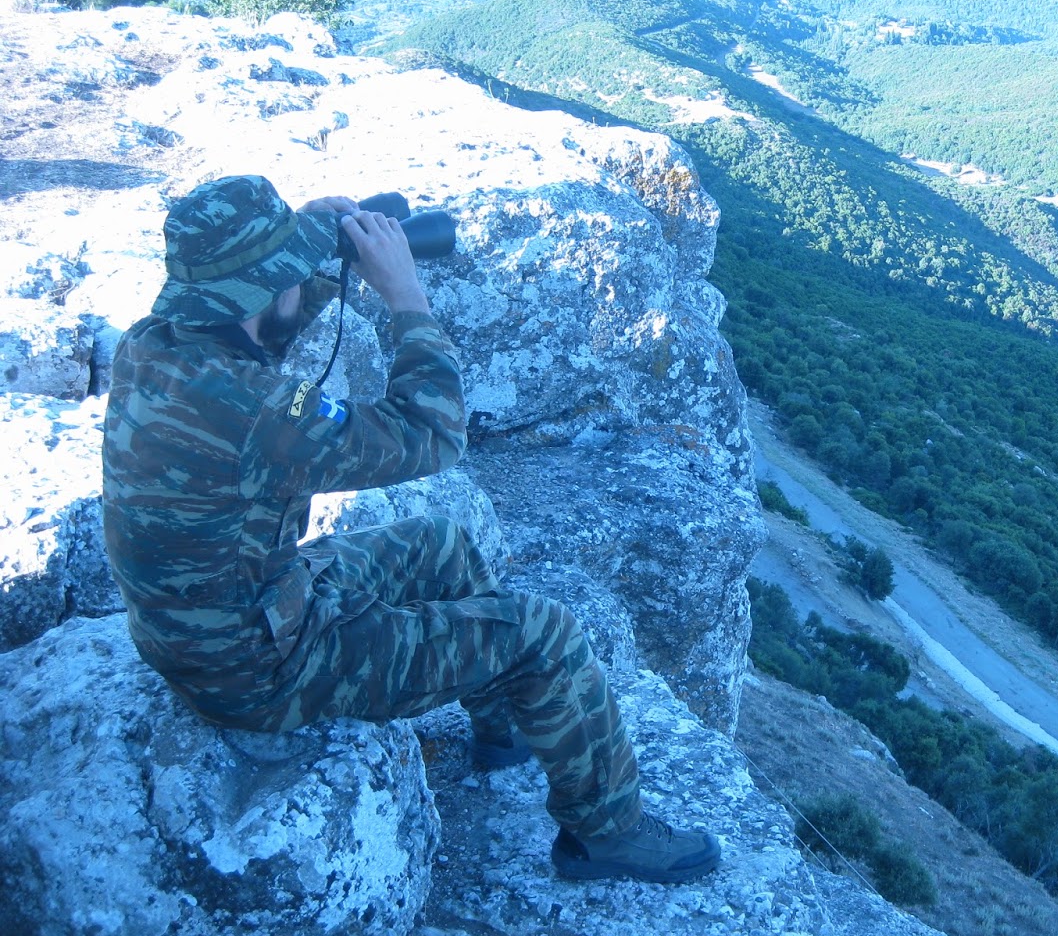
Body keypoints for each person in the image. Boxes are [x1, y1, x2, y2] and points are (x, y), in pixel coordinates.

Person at [100, 174, 719, 885]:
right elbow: (433, 433)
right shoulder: (261, 409)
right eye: (286, 276)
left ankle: (502, 727)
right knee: (547, 633)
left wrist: (315, 258)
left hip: (219, 624)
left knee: (440, 543)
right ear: (264, 288)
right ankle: (606, 833)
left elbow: (259, 320)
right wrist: (405, 298)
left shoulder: (155, 345)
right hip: (262, 672)